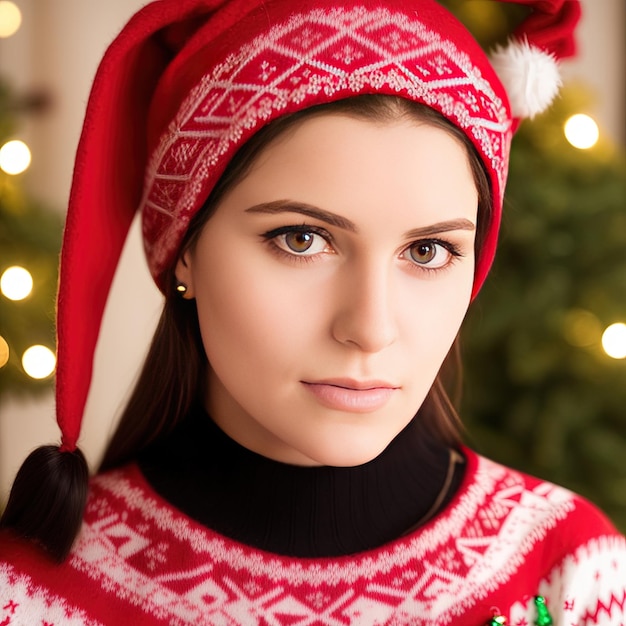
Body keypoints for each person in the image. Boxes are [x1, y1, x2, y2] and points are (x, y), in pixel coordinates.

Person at [1, 0, 624, 624]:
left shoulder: (576, 575)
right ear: (185, 248)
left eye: (429, 250)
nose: (370, 327)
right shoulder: (26, 596)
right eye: (301, 239)